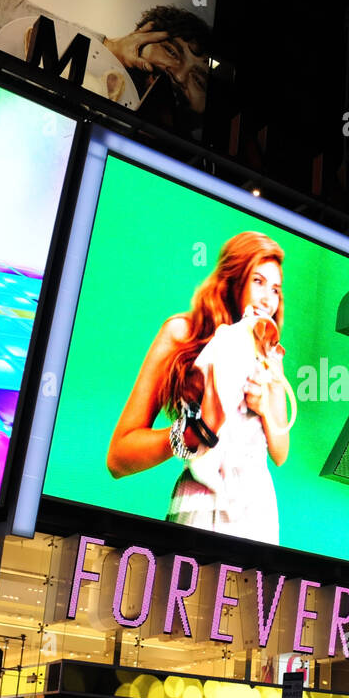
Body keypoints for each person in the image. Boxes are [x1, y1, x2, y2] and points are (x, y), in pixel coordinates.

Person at [107, 232, 292, 544]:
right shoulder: (183, 333)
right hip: (199, 509)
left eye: (275, 289)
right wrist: (191, 435)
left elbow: (281, 452)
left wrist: (262, 407)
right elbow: (119, 457)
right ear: (233, 280)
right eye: (257, 281)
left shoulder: (270, 352)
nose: (267, 298)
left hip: (258, 517)